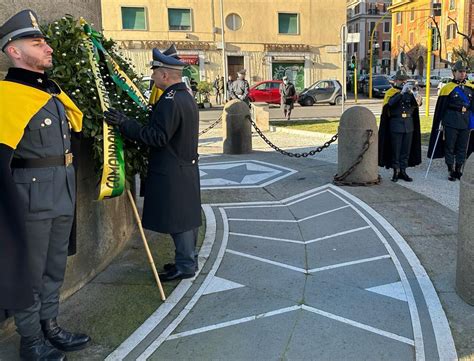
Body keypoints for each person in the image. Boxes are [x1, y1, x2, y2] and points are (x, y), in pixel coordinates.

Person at [0, 9, 90, 360]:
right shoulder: (7, 97)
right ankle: (31, 341)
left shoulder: (50, 91)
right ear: (14, 51)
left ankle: (50, 326)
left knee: (54, 268)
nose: (48, 47)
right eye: (37, 42)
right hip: (30, 198)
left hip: (62, 192)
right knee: (30, 273)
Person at [104, 48, 202, 282]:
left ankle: (186, 265)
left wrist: (126, 124)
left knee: (179, 220)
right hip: (183, 166)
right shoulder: (184, 96)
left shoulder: (170, 100)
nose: (153, 77)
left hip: (172, 169)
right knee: (186, 217)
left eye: (155, 73)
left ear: (165, 75)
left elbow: (158, 137)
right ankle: (186, 260)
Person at [428, 60, 474, 181]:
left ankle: (459, 170)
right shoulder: (447, 88)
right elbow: (441, 108)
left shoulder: (470, 87)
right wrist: (440, 122)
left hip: (465, 123)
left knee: (462, 147)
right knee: (450, 147)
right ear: (454, 72)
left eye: (464, 72)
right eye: (460, 71)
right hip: (451, 122)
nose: (463, 74)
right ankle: (451, 169)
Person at [378, 70, 422, 182]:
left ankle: (403, 171)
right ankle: (396, 172)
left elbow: (416, 105)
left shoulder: (409, 93)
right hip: (396, 125)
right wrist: (401, 93)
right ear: (395, 81)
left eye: (405, 80)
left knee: (405, 151)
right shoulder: (391, 92)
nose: (403, 82)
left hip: (408, 125)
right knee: (396, 150)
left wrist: (416, 95)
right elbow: (390, 104)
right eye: (401, 80)